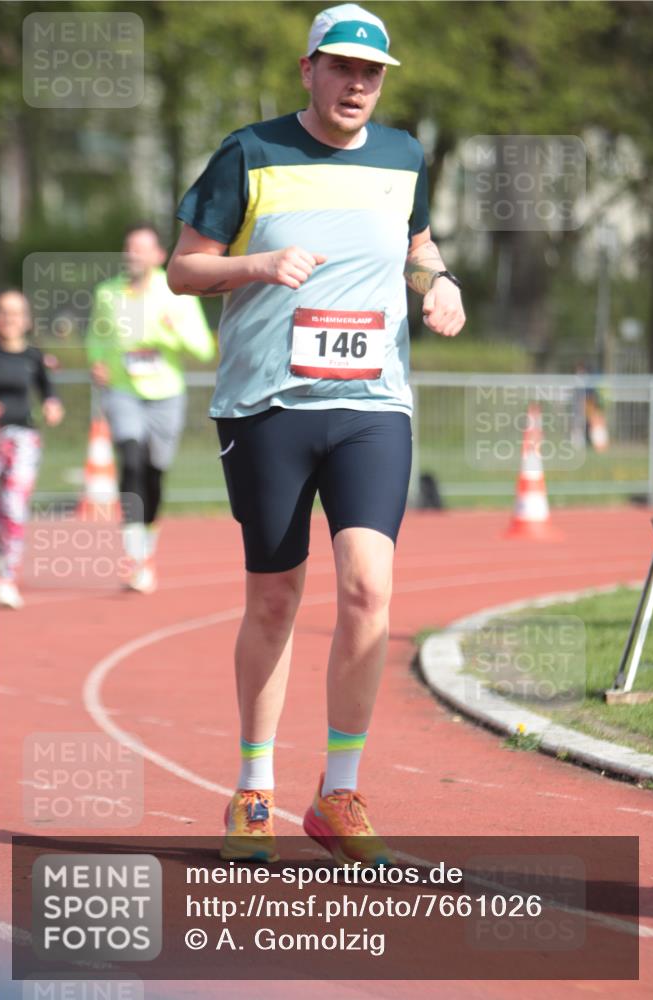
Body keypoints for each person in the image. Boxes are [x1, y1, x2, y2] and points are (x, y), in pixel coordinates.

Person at [168, 3, 466, 864]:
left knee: (369, 589)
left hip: (373, 405)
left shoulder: (403, 155)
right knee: (274, 597)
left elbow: (417, 244)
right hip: (267, 408)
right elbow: (184, 267)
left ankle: (339, 792)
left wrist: (438, 282)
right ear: (308, 70)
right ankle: (253, 788)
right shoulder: (249, 152)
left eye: (371, 72)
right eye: (341, 67)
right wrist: (256, 265)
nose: (356, 84)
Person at [86, 223, 214, 593]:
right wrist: (97, 361)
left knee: (154, 472)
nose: (133, 255)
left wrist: (172, 332)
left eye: (141, 249)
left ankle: (147, 547)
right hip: (122, 391)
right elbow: (96, 336)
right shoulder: (108, 293)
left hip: (166, 395)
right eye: (129, 248)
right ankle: (133, 554)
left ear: (158, 255)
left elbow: (204, 348)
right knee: (130, 460)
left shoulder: (178, 293)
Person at [0, 290, 64, 609]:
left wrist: (52, 405)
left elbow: (48, 391)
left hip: (22, 440)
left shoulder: (34, 356)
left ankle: (8, 577)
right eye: (3, 312)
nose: (9, 319)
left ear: (26, 319)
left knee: (13, 505)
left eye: (16, 313)